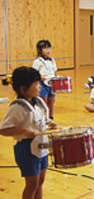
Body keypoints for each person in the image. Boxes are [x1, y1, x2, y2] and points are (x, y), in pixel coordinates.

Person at [0, 66, 57, 198]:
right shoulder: (18, 107)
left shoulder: (39, 103)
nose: (39, 87)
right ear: (23, 89)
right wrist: (23, 130)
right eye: (36, 84)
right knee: (32, 184)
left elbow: (42, 119)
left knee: (40, 182)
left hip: (42, 146)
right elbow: (3, 129)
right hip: (26, 149)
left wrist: (49, 122)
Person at [32, 40, 57, 120]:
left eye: (49, 48)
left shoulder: (52, 60)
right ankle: (43, 118)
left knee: (52, 100)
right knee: (43, 102)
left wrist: (56, 77)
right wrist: (41, 77)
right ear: (40, 50)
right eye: (45, 48)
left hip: (51, 83)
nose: (48, 50)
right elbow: (34, 73)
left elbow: (54, 71)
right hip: (42, 84)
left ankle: (51, 117)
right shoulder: (37, 61)